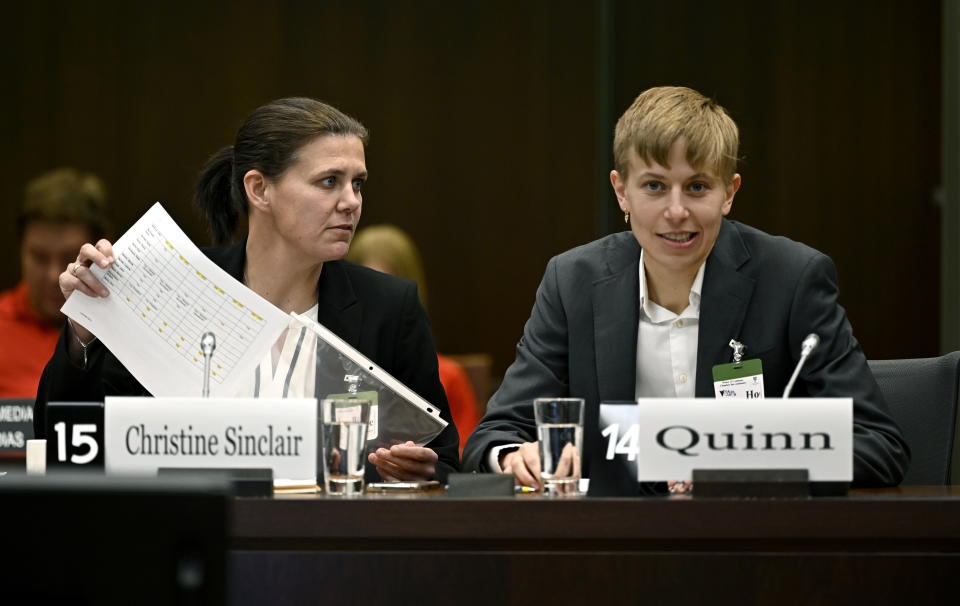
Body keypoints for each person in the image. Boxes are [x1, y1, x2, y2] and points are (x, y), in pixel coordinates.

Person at [462, 86, 909, 490]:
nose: (676, 211)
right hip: (609, 544)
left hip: (746, 547)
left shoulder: (792, 279)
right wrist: (515, 456)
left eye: (696, 187)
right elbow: (495, 435)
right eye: (654, 186)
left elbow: (877, 445)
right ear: (621, 191)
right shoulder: (573, 281)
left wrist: (730, 463)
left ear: (729, 193)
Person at [34, 98, 459, 482]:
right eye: (329, 181)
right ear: (259, 189)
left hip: (333, 550)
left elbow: (443, 459)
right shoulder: (174, 291)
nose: (351, 201)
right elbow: (67, 442)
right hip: (190, 541)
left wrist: (420, 469)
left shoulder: (389, 307)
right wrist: (84, 331)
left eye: (358, 183)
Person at [347, 224, 481, 451]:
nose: (378, 304)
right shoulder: (331, 369)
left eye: (387, 288)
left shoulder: (449, 377)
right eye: (367, 290)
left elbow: (461, 457)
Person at [0, 168, 108, 398]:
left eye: (69, 257)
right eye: (39, 257)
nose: (53, 276)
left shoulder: (126, 332)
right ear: (20, 249)